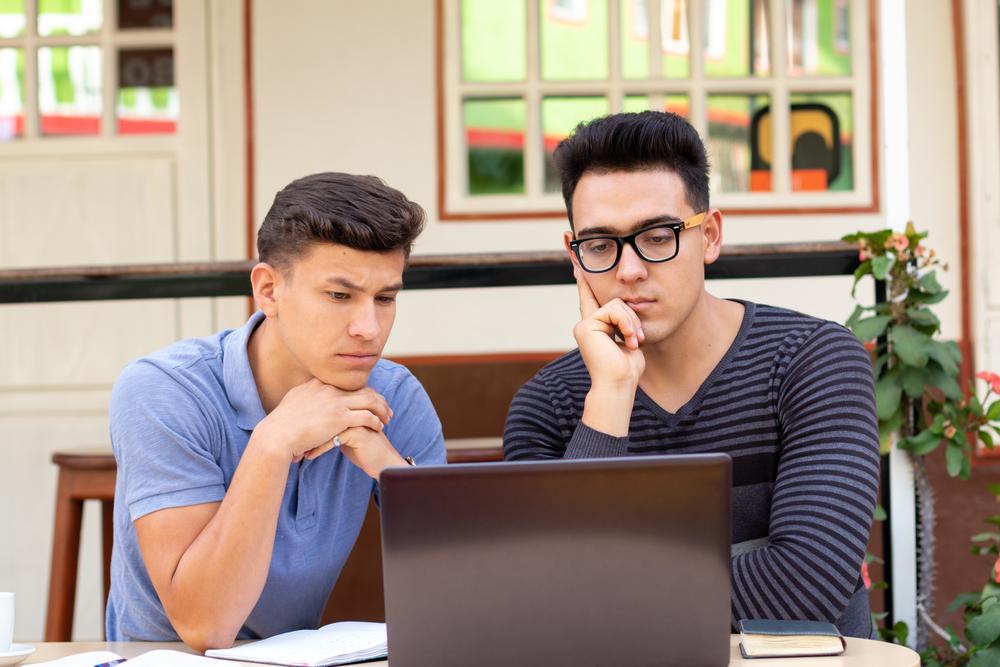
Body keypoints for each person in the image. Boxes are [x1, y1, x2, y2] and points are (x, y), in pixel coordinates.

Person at [503, 111, 880, 638]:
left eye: (658, 236)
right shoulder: (551, 405)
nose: (628, 270)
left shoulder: (811, 361)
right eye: (600, 245)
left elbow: (804, 584)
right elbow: (547, 596)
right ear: (574, 255)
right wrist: (611, 393)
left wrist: (599, 589)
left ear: (710, 236)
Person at [106, 172, 445, 650]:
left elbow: (467, 583)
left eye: (386, 298)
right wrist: (272, 444)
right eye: (339, 296)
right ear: (268, 290)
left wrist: (390, 468)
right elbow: (205, 627)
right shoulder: (163, 390)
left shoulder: (394, 396)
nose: (368, 328)